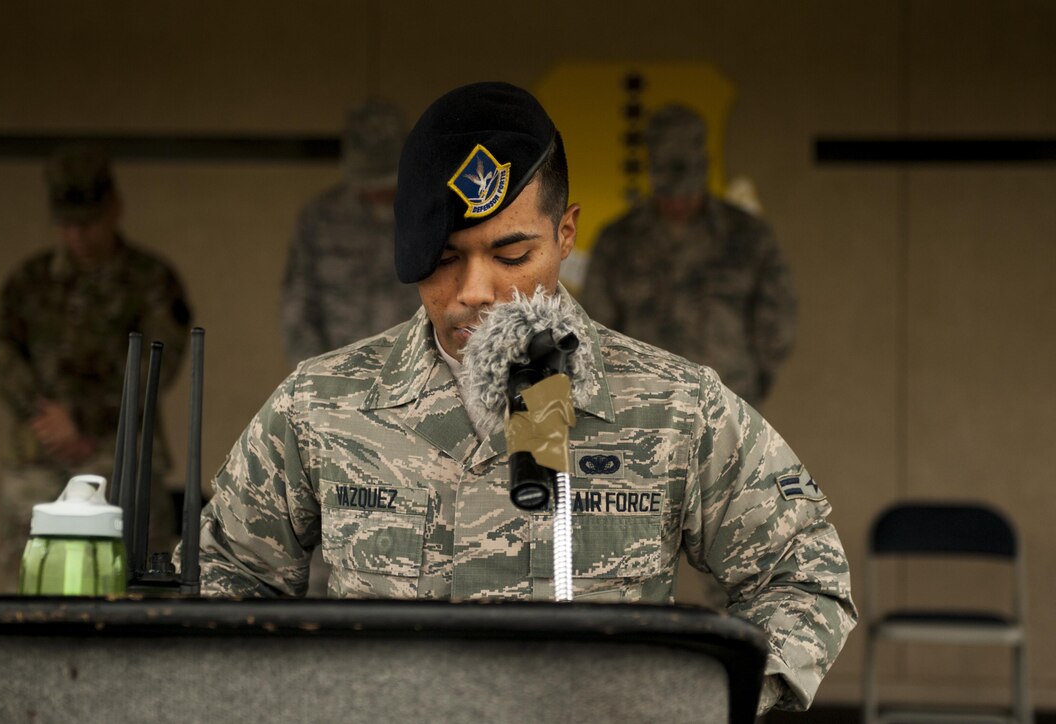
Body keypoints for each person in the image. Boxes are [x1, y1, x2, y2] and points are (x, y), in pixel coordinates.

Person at [190, 83, 855, 714]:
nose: (476, 289)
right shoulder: (323, 404)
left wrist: (698, 705)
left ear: (566, 234)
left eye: (512, 254)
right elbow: (225, 575)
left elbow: (805, 573)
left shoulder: (675, 406)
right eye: (446, 257)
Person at [0, 144, 191, 590]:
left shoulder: (150, 278)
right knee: (32, 586)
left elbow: (160, 363)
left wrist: (81, 420)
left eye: (89, 223)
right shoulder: (30, 280)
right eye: (67, 225)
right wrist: (42, 414)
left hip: (120, 458)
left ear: (115, 209)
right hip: (38, 457)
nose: (78, 236)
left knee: (130, 582)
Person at [579, 104, 797, 408]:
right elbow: (594, 329)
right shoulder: (618, 241)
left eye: (688, 193)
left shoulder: (747, 237)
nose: (679, 204)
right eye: (670, 194)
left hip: (730, 408)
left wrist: (752, 384)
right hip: (643, 410)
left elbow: (778, 321)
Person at [279, 99, 419, 368]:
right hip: (336, 382)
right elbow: (296, 309)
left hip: (416, 379)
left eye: (387, 181)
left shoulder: (428, 213)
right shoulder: (320, 218)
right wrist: (320, 375)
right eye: (369, 182)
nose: (377, 192)